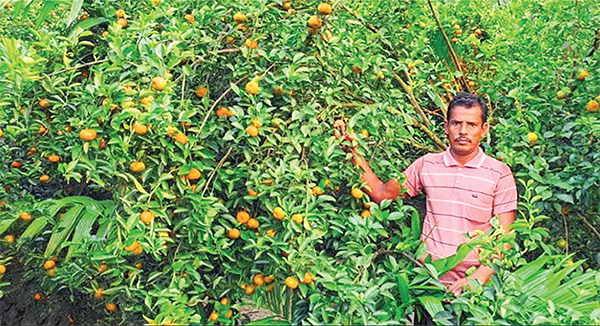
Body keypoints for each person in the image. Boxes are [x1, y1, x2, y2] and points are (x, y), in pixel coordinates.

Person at [335, 92, 518, 296]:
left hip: (475, 293)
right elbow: (382, 193)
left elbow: (505, 239)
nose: (463, 131)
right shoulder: (427, 165)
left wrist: (478, 278)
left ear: (484, 129)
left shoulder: (499, 174)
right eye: (456, 123)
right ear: (446, 127)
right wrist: (352, 150)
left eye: (471, 124)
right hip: (427, 283)